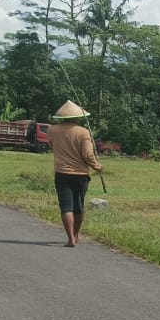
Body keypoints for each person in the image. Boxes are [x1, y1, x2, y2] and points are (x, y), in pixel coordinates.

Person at [47, 100, 103, 247]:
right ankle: (76, 234)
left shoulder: (52, 130)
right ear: (77, 117)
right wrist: (97, 166)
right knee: (78, 206)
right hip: (80, 175)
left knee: (66, 206)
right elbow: (87, 155)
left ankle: (70, 238)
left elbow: (51, 145)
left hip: (61, 173)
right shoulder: (83, 132)